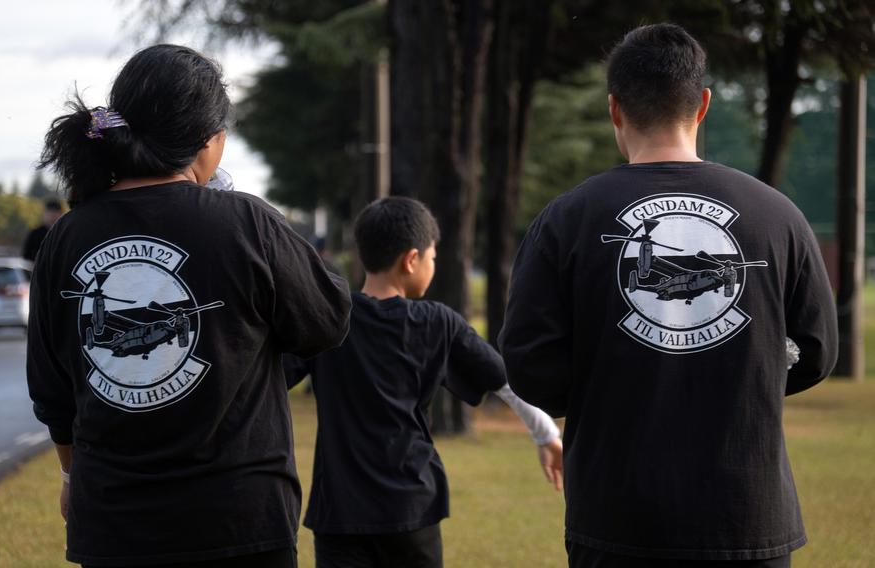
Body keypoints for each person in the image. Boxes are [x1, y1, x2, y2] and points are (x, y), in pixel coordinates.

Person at [499, 24, 837, 568]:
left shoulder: (566, 220)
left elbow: (529, 366)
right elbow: (816, 352)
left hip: (617, 521)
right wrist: (738, 377)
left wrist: (603, 386)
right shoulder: (780, 217)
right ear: (702, 104)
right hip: (747, 519)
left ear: (615, 109)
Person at [27, 44, 351, 568]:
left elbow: (52, 391)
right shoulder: (248, 222)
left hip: (113, 525)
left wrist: (70, 477)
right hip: (242, 522)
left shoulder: (65, 236)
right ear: (207, 140)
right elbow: (329, 319)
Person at [284, 196, 563, 568]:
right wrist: (546, 435)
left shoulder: (331, 318)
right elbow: (505, 382)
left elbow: (269, 376)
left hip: (340, 513)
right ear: (411, 259)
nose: (433, 265)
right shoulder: (437, 322)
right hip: (412, 507)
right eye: (432, 257)